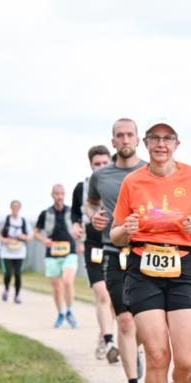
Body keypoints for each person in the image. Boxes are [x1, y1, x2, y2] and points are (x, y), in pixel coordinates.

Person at [110, 121, 191, 383]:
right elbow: (115, 234)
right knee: (156, 354)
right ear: (145, 143)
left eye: (167, 139)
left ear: (176, 144)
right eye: (154, 138)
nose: (161, 144)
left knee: (186, 360)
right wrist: (125, 230)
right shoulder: (133, 181)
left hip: (184, 266)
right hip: (144, 268)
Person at [87, 118, 148, 383]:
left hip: (149, 253)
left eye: (130, 135)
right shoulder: (101, 177)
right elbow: (92, 204)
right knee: (124, 321)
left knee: (146, 324)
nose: (125, 140)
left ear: (138, 140)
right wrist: (94, 216)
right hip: (114, 252)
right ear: (113, 141)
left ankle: (137, 353)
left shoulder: (151, 171)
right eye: (119, 136)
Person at [73, 145, 119, 363]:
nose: (101, 167)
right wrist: (76, 227)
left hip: (116, 244)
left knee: (113, 299)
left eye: (104, 163)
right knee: (102, 295)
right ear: (90, 166)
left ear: (111, 161)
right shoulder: (82, 187)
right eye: (96, 164)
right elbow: (76, 215)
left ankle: (103, 335)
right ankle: (108, 339)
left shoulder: (121, 182)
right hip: (93, 245)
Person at [35, 185, 79, 328]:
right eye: (57, 193)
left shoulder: (72, 211)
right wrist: (44, 240)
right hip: (52, 253)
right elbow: (35, 233)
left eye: (62, 193)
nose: (59, 196)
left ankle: (70, 311)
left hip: (69, 251)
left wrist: (81, 241)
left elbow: (80, 228)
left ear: (65, 195)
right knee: (56, 287)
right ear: (52, 195)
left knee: (67, 282)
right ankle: (61, 313)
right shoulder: (45, 213)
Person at [0, 200, 30, 303]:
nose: (15, 209)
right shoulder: (5, 220)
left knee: (17, 274)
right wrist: (4, 240)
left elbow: (30, 236)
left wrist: (24, 237)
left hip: (20, 251)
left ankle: (17, 295)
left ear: (20, 208)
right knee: (8, 273)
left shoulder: (24, 221)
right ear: (11, 208)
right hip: (6, 251)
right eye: (13, 207)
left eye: (17, 207)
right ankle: (6, 289)